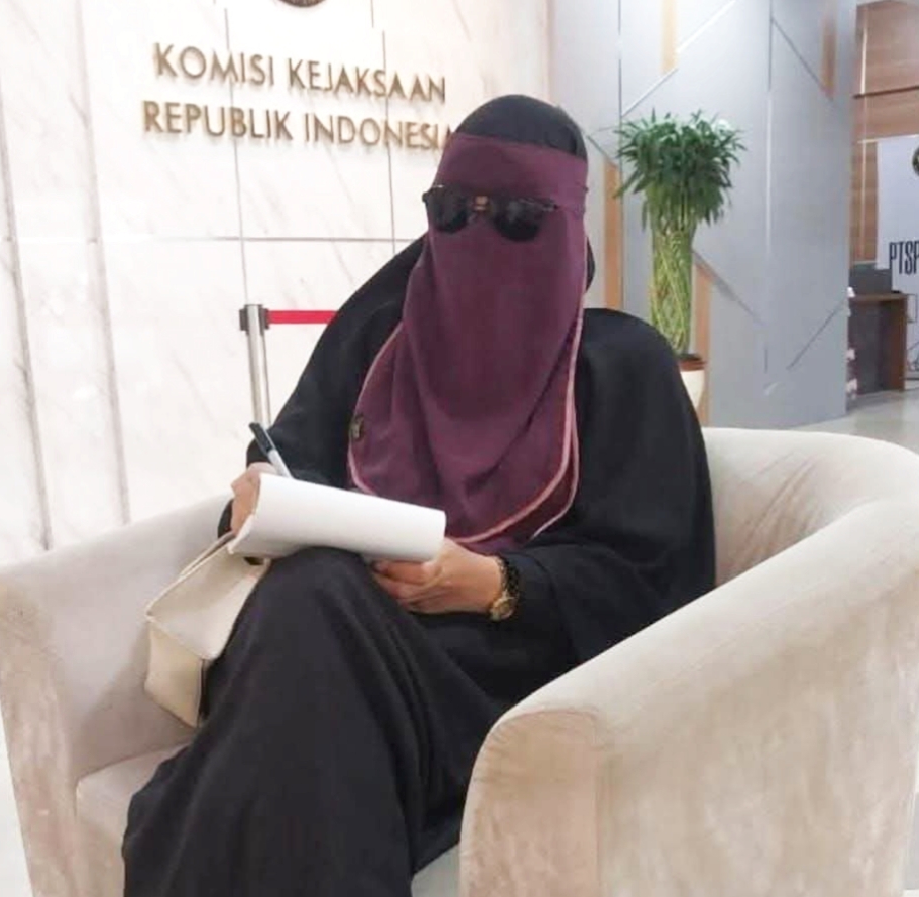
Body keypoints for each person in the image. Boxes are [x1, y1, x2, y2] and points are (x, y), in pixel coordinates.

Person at [122, 95, 715, 897]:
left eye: (517, 218)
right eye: (452, 211)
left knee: (310, 616)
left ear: (568, 228)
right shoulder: (380, 339)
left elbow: (655, 586)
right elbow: (294, 457)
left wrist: (494, 582)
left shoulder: (620, 366)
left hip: (506, 670)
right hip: (346, 636)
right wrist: (264, 490)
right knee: (311, 601)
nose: (478, 237)